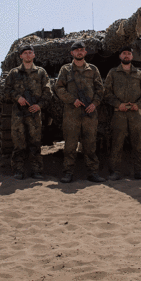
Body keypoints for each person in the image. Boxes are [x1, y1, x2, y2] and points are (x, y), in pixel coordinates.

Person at [54, 41, 105, 183]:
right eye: (76, 50)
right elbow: (59, 88)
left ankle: (93, 173)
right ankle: (68, 172)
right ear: (72, 53)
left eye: (82, 50)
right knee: (70, 145)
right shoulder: (65, 70)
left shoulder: (93, 69)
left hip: (90, 113)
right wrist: (72, 100)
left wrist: (95, 104)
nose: (79, 52)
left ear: (85, 52)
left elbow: (100, 89)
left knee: (90, 145)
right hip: (72, 113)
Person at [103, 46, 141, 180]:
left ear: (132, 56)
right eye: (124, 53)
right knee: (117, 143)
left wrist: (139, 105)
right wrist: (118, 104)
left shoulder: (139, 73)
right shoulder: (113, 73)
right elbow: (106, 93)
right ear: (120, 56)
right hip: (119, 112)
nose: (126, 56)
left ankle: (140, 171)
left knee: (137, 143)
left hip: (135, 113)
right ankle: (115, 171)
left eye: (129, 54)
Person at [4, 44, 52, 180]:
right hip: (18, 114)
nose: (28, 55)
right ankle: (18, 170)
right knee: (19, 144)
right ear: (20, 56)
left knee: (35, 143)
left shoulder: (41, 72)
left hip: (34, 114)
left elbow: (48, 92)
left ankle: (37, 170)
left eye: (30, 52)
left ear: (34, 55)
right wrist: (17, 97)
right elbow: (6, 91)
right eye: (25, 53)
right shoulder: (14, 73)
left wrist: (39, 106)